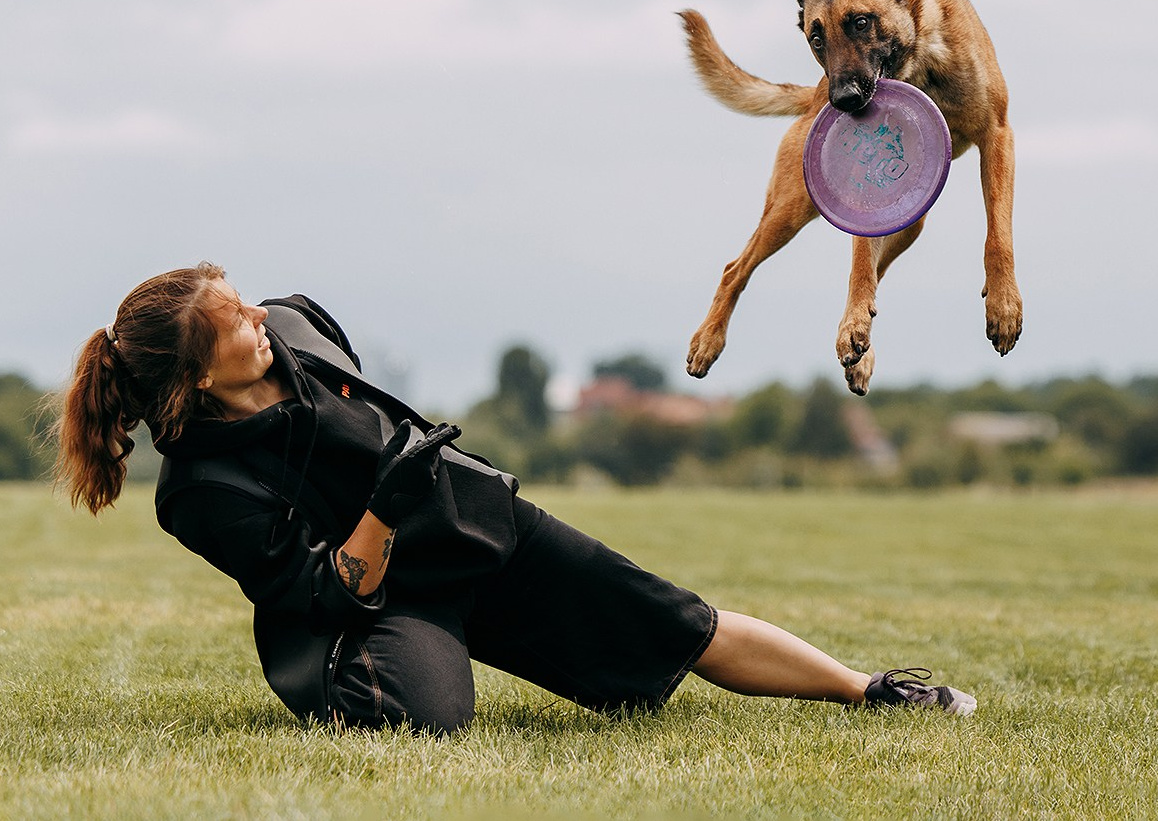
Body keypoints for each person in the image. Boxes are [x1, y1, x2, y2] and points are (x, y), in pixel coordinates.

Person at [53, 262, 977, 733]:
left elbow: (360, 396)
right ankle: (351, 686)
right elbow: (324, 591)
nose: (258, 317)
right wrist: (382, 506)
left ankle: (873, 688)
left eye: (245, 301)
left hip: (467, 516)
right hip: (377, 601)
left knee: (672, 616)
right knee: (433, 719)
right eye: (235, 324)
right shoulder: (200, 491)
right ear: (195, 376)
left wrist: (419, 490)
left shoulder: (294, 323)